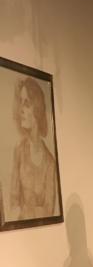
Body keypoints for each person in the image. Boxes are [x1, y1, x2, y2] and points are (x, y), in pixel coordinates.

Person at [9, 77, 59, 221]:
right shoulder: (19, 151)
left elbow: (49, 211)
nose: (21, 110)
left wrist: (24, 210)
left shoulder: (50, 162)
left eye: (27, 104)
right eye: (20, 102)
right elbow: (13, 204)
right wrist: (32, 210)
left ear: (36, 109)